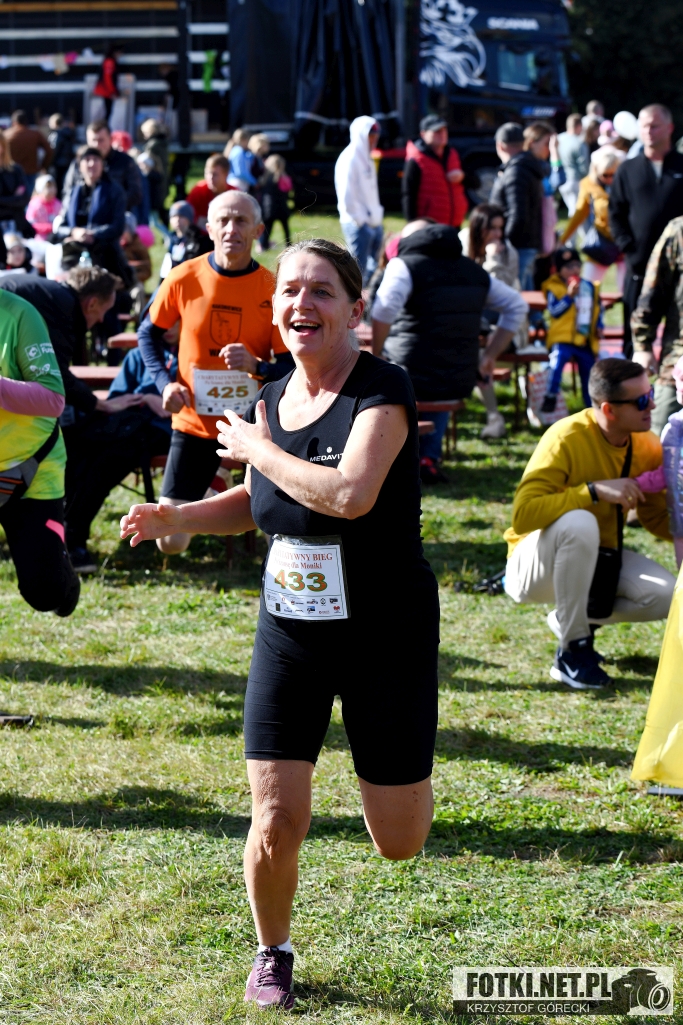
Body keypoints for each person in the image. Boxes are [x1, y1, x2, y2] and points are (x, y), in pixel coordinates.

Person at [120, 237, 439, 1010]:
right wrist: (180, 515)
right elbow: (265, 500)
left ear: (354, 309)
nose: (302, 303)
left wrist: (257, 450)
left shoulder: (382, 389)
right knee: (274, 814)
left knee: (398, 839)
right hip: (291, 630)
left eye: (321, 290)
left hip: (384, 632)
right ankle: (272, 951)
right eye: (290, 290)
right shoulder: (268, 396)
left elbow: (349, 494)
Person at [504, 358, 675, 691]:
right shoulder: (565, 436)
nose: (653, 405)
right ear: (609, 409)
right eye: (642, 400)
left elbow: (655, 517)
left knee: (666, 594)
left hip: (599, 562)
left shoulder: (647, 444)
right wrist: (593, 492)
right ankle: (572, 652)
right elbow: (523, 516)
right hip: (531, 569)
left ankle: (571, 620)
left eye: (652, 393)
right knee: (579, 522)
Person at [137, 190, 293, 556]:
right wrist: (164, 384)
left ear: (258, 230)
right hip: (195, 424)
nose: (231, 229)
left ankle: (229, 493)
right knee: (170, 541)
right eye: (223, 220)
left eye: (241, 221)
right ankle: (217, 488)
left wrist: (256, 367)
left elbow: (291, 366)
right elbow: (148, 334)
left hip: (254, 427)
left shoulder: (272, 288)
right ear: (209, 229)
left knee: (280, 532)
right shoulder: (183, 277)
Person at [371, 219, 527, 482]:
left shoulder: (404, 265)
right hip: (457, 378)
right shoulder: (472, 270)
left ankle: (402, 457)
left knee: (395, 377)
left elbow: (384, 308)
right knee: (441, 375)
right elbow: (517, 306)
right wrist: (489, 355)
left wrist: (376, 353)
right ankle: (428, 457)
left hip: (409, 375)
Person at [64, 334, 177, 571]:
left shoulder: (191, 356)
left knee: (107, 461)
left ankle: (73, 537)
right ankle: (63, 533)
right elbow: (117, 399)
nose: (167, 326)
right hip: (125, 426)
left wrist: (166, 401)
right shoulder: (138, 355)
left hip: (165, 432)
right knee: (77, 449)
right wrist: (145, 398)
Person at [0, 287, 79, 616]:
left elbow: (53, 399)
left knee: (46, 593)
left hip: (30, 466)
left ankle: (61, 568)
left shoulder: (19, 314)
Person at [0, 265, 131, 433]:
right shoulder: (63, 308)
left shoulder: (55, 295)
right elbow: (57, 375)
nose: (101, 319)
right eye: (104, 311)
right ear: (92, 304)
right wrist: (100, 404)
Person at [609, 104, 683, 358]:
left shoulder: (681, 166)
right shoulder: (627, 169)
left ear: (669, 128)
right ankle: (633, 378)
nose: (649, 131)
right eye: (644, 126)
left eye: (655, 126)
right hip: (639, 267)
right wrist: (628, 248)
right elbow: (615, 213)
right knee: (635, 334)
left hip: (678, 270)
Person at [459, 202, 527, 439]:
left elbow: (500, 294)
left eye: (501, 228)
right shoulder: (462, 243)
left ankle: (494, 417)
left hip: (505, 327)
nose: (498, 234)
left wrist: (493, 260)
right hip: (471, 324)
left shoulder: (508, 252)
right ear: (479, 227)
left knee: (479, 356)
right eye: (493, 228)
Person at [631, 215, 683, 434]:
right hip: (678, 361)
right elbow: (653, 291)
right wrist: (642, 345)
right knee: (657, 435)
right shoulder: (679, 230)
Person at [55, 146, 131, 286]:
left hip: (105, 254)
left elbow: (118, 226)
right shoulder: (73, 192)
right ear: (80, 165)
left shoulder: (115, 190)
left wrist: (93, 234)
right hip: (74, 254)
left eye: (96, 159)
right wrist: (74, 232)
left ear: (102, 164)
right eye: (87, 159)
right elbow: (60, 227)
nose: (91, 164)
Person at [540, 247, 601, 412]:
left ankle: (591, 407)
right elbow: (554, 311)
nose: (574, 270)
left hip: (584, 338)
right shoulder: (554, 287)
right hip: (563, 338)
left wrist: (599, 326)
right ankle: (550, 396)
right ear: (559, 269)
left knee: (589, 373)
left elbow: (597, 309)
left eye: (577, 265)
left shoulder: (589, 286)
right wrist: (569, 297)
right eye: (568, 267)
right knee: (557, 362)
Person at [489, 122, 545, 290]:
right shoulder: (524, 166)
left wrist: (504, 241)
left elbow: (518, 214)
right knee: (526, 294)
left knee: (517, 294)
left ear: (500, 146)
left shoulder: (516, 171)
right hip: (526, 244)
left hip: (518, 247)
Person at [559, 148, 625, 289]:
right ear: (596, 171)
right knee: (587, 286)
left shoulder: (625, 182)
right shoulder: (588, 184)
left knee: (626, 289)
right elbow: (579, 213)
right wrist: (563, 239)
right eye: (605, 175)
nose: (610, 179)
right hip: (602, 241)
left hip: (624, 240)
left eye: (613, 174)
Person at [334, 116, 384, 284]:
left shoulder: (367, 157)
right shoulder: (349, 158)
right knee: (356, 271)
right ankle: (356, 299)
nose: (374, 140)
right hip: (358, 224)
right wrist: (360, 221)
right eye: (371, 136)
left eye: (376, 136)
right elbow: (346, 195)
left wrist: (376, 216)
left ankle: (367, 296)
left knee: (376, 267)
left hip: (373, 222)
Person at [401, 114, 467, 229]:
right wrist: (412, 224)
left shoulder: (453, 154)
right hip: (430, 227)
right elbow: (408, 195)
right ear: (423, 134)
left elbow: (475, 182)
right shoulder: (416, 160)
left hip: (455, 222)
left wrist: (462, 176)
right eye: (437, 131)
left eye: (444, 130)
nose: (442, 134)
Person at [62, 119, 143, 212]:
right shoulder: (79, 162)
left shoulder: (125, 161)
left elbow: (135, 194)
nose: (97, 145)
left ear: (110, 139)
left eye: (101, 140)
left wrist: (109, 204)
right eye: (93, 140)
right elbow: (68, 191)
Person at [523, 122, 565, 257]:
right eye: (547, 144)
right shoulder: (527, 167)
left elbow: (559, 181)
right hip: (530, 232)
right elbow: (556, 182)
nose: (550, 148)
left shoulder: (542, 165)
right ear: (532, 143)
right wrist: (554, 153)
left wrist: (555, 152)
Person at [158, 200, 213, 280]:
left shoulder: (200, 240)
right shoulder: (171, 240)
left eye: (181, 216)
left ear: (190, 218)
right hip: (172, 279)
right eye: (174, 216)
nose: (177, 219)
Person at [4, 111, 52, 199]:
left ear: (14, 122)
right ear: (26, 122)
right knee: (29, 197)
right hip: (30, 171)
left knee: (13, 198)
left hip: (12, 172)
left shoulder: (7, 135)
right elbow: (49, 151)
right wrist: (43, 166)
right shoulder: (35, 134)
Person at [186, 154, 233, 229]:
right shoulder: (198, 190)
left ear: (226, 175)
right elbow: (187, 214)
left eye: (215, 174)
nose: (210, 177)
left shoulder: (233, 195)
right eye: (208, 173)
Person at [0, 129, 32, 237]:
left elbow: (25, 198)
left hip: (17, 224)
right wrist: (14, 198)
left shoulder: (15, 170)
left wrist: (3, 201)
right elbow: (18, 200)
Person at [557, 113, 588, 217]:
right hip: (575, 181)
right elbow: (584, 167)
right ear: (579, 126)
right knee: (577, 212)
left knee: (573, 210)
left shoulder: (559, 139)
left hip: (561, 180)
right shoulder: (579, 143)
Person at [260, 155, 292, 251]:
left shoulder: (265, 178)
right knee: (285, 227)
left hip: (268, 207)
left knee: (267, 228)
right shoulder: (282, 177)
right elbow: (288, 188)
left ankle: (264, 245)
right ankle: (288, 244)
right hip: (281, 206)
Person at [26, 173, 62, 240]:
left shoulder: (58, 203)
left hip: (57, 237)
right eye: (48, 187)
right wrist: (50, 227)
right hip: (39, 238)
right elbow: (31, 224)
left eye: (54, 187)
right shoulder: (34, 204)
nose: (52, 190)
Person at [93, 43, 123, 121]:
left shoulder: (109, 61)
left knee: (108, 112)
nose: (120, 55)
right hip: (105, 92)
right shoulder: (109, 62)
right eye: (119, 52)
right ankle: (103, 126)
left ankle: (104, 126)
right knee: (107, 112)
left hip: (106, 91)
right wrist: (112, 92)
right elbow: (108, 78)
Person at [47, 113, 75, 195]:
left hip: (57, 164)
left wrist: (49, 162)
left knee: (58, 185)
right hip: (67, 162)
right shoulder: (68, 133)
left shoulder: (56, 134)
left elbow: (54, 151)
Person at [121, 211, 151, 285]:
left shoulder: (139, 247)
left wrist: (130, 279)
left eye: (125, 231)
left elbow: (147, 271)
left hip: (134, 283)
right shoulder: (118, 246)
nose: (122, 234)